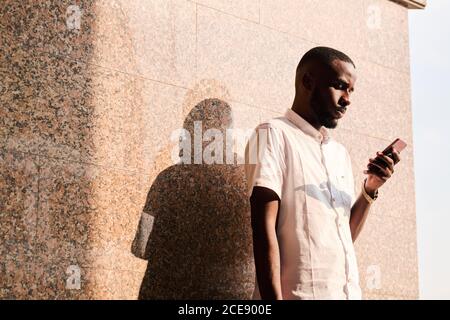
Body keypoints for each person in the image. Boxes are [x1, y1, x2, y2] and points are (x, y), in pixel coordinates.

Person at [244, 46, 401, 300]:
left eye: (351, 91)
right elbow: (263, 230)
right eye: (340, 86)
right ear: (308, 81)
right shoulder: (273, 134)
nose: (347, 99)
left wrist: (370, 188)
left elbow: (343, 236)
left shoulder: (339, 154)